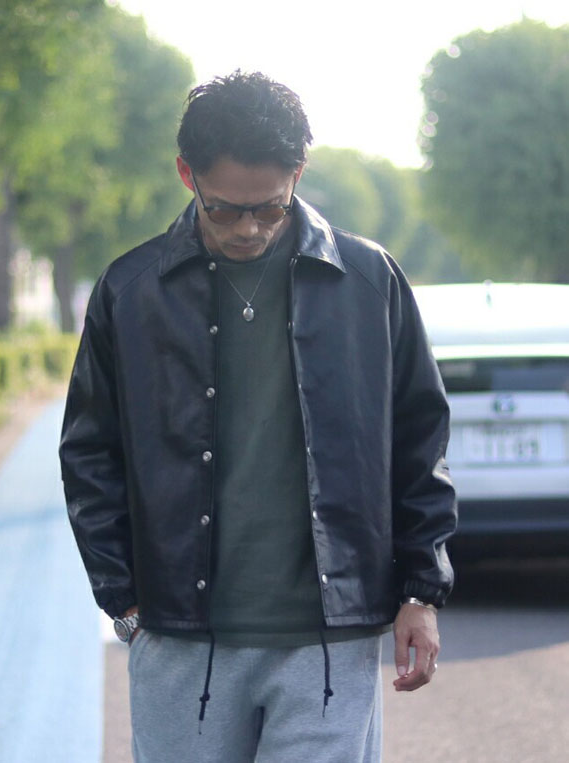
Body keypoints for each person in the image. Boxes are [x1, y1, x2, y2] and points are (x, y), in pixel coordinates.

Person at [60, 71, 457, 762]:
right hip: (180, 637)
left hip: (329, 641)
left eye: (270, 208)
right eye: (223, 210)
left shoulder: (368, 281)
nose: (248, 228)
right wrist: (121, 599)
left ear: (298, 173)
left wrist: (422, 591)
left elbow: (419, 441)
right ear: (187, 174)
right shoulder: (131, 290)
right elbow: (89, 451)